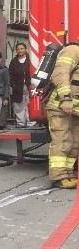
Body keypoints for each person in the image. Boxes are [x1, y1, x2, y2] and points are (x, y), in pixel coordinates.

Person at [45, 42, 79, 189]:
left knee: (74, 142)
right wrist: (66, 98)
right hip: (60, 105)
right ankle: (58, 177)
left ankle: (68, 172)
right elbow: (60, 74)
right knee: (62, 140)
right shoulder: (73, 50)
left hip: (75, 109)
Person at [8, 42, 33, 127]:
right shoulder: (14, 61)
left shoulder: (31, 60)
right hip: (17, 87)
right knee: (18, 105)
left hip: (29, 85)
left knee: (29, 103)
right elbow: (10, 74)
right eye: (18, 49)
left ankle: (31, 122)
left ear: (25, 49)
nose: (20, 50)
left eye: (22, 48)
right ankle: (20, 122)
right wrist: (12, 85)